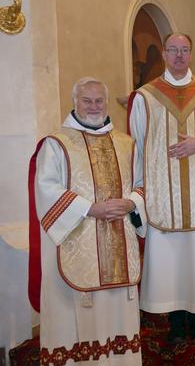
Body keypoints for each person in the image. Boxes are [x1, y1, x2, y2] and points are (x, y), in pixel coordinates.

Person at [29, 77, 145, 365]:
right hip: (76, 241)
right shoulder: (57, 143)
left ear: (106, 103)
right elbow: (46, 189)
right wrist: (90, 209)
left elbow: (144, 185)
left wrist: (132, 202)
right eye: (87, 100)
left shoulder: (126, 144)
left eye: (99, 101)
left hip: (119, 242)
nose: (94, 106)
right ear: (75, 102)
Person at [128, 33, 195, 343]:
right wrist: (139, 194)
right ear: (163, 53)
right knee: (171, 260)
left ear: (191, 52)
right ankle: (175, 325)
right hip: (163, 192)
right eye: (172, 50)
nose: (178, 55)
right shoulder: (145, 96)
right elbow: (138, 146)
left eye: (184, 49)